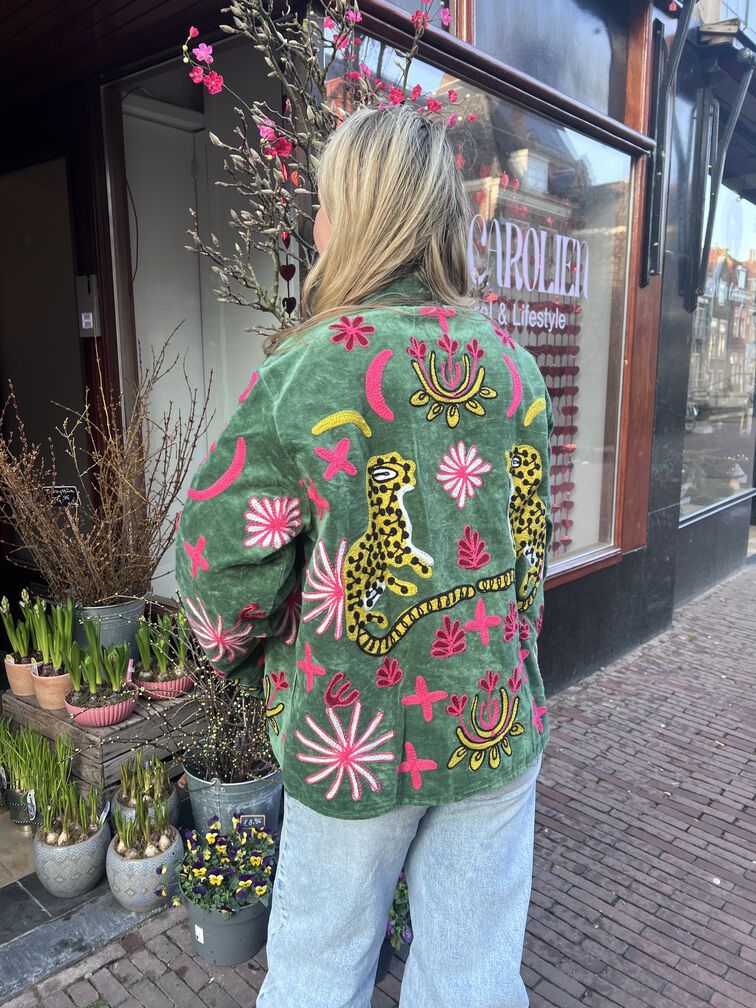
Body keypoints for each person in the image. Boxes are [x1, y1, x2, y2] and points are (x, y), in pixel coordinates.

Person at [176, 104, 553, 1008]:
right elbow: (528, 560)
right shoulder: (515, 367)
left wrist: (241, 653)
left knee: (318, 970)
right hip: (494, 716)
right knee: (473, 980)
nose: (315, 226)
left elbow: (221, 565)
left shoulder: (310, 370)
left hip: (353, 728)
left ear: (352, 218)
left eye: (323, 205)